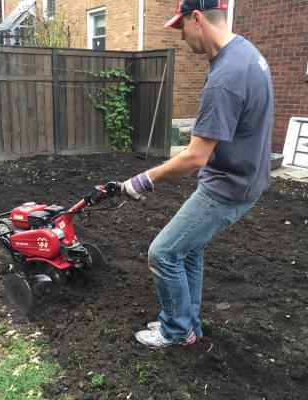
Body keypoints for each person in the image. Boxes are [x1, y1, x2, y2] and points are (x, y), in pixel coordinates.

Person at [121, 0, 274, 348]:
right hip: (244, 178)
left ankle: (177, 331)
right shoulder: (247, 53)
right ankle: (188, 322)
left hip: (227, 188)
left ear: (198, 19)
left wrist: (142, 180)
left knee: (162, 253)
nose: (181, 36)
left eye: (181, 26)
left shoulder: (226, 77)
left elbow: (194, 158)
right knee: (188, 251)